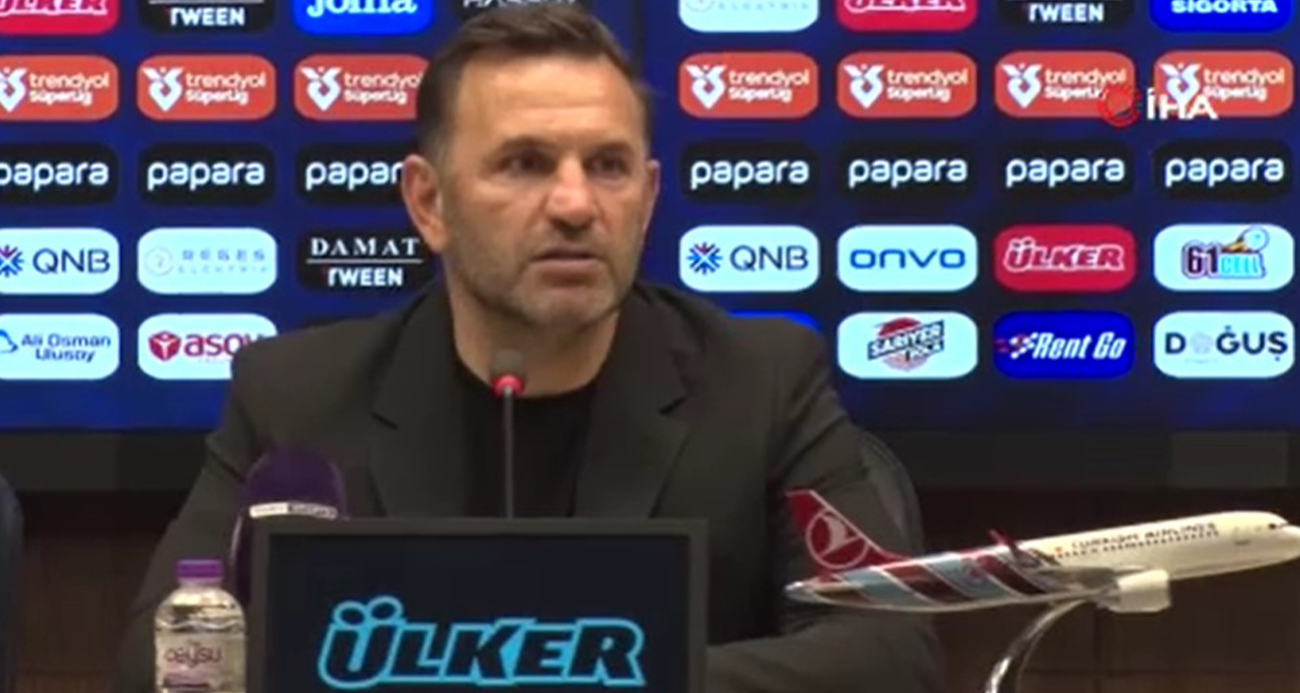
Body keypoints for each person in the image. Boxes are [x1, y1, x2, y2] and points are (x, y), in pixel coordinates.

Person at [114, 5, 943, 692]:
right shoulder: (298, 395)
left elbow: (891, 651)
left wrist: (573, 676)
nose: (576, 203)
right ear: (429, 203)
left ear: (649, 197)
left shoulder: (763, 381)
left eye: (609, 165)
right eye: (525, 163)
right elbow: (166, 659)